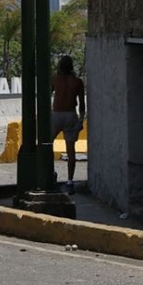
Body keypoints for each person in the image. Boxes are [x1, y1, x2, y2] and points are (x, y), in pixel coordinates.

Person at [51, 55, 86, 194]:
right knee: (71, 150)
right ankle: (70, 181)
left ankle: (50, 173)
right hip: (71, 114)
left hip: (57, 114)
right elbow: (82, 105)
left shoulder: (54, 79)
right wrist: (81, 120)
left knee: (47, 144)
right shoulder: (77, 82)